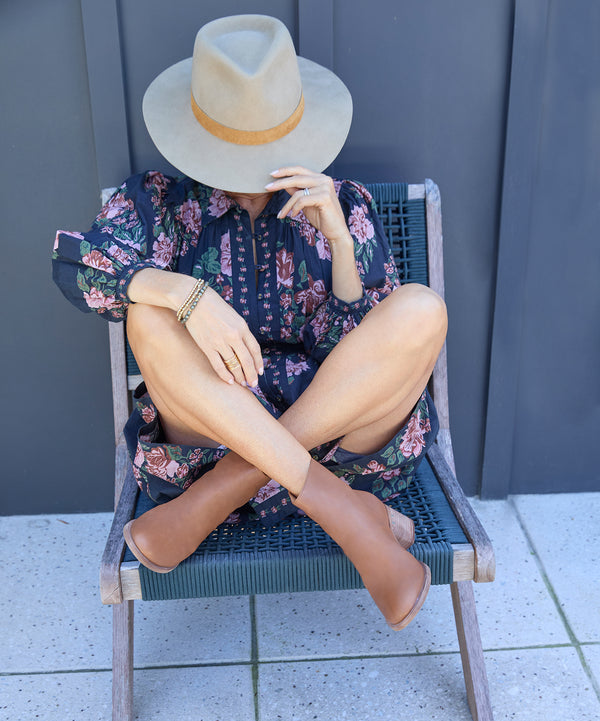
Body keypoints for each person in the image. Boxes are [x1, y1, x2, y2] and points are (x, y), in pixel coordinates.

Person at [52, 14, 447, 631]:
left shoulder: (342, 203)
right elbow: (74, 263)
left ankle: (227, 492)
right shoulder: (160, 203)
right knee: (147, 320)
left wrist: (342, 247)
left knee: (422, 309)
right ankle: (348, 515)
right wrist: (185, 295)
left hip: (341, 446)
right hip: (209, 438)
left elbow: (368, 357)